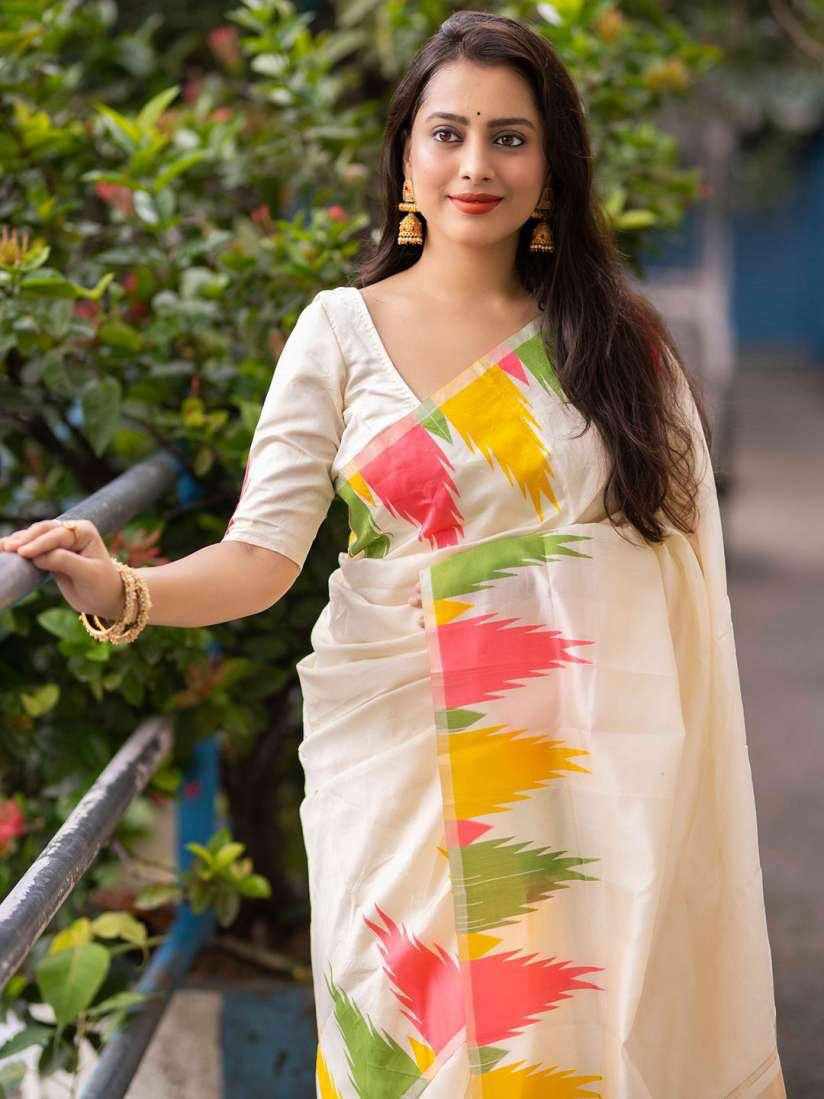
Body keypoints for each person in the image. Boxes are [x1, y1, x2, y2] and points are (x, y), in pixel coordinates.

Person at [0, 11, 786, 1098]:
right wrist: (122, 585)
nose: (476, 165)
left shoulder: (614, 349)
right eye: (447, 133)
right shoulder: (338, 333)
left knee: (567, 1037)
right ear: (406, 158)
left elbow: (670, 583)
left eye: (510, 138)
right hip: (391, 766)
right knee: (407, 1049)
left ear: (552, 167)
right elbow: (261, 557)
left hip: (575, 776)